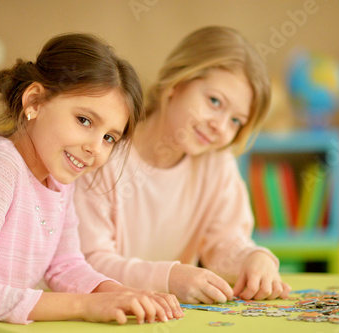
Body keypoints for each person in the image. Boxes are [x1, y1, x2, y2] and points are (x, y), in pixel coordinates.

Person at [0, 33, 183, 333]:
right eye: (84, 120)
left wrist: (120, 293)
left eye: (109, 138)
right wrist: (85, 305)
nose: (95, 148)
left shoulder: (58, 179)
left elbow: (65, 265)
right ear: (34, 102)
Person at [74, 26, 291, 304]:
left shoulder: (216, 164)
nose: (220, 126)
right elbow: (89, 263)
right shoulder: (104, 152)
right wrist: (169, 278)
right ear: (176, 83)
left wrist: (254, 258)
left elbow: (224, 244)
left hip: (165, 316)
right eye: (214, 101)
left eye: (236, 121)